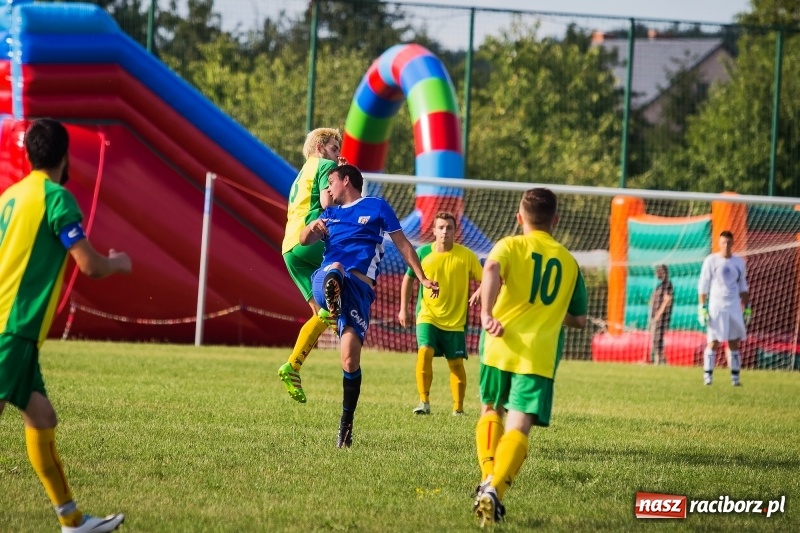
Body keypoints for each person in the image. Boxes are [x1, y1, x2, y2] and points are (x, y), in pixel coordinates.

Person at [0, 119, 132, 533]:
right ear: (65, 156)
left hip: (17, 332)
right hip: (11, 328)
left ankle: (72, 521)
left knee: (42, 417)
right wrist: (118, 262)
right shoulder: (56, 198)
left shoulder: (10, 196)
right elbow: (89, 265)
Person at [299, 164, 439, 448]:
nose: (328, 189)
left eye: (331, 182)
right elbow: (303, 240)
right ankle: (333, 296)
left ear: (346, 181)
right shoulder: (330, 214)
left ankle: (346, 425)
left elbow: (403, 245)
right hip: (326, 277)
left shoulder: (377, 207)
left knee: (349, 361)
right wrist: (311, 227)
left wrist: (422, 277)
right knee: (336, 268)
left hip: (359, 291)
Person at [473, 188, 587, 527]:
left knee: (491, 410)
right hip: (538, 355)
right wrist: (550, 312)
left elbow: (492, 268)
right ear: (556, 220)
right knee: (519, 425)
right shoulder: (569, 262)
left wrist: (486, 313)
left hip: (499, 344)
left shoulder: (509, 245)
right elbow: (580, 319)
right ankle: (495, 489)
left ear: (519, 217)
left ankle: (487, 476)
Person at [278, 128, 346, 404]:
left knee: (322, 313)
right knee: (349, 270)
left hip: (290, 249)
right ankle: (350, 333)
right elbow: (327, 202)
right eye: (333, 148)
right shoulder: (325, 166)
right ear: (319, 146)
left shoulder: (302, 172)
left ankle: (292, 367)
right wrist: (341, 181)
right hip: (311, 239)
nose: (337, 155)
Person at [397, 211, 482, 416]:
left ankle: (458, 409)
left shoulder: (467, 256)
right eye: (441, 227)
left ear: (455, 231)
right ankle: (424, 402)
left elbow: (486, 279)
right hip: (427, 316)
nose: (445, 231)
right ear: (434, 231)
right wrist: (403, 309)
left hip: (455, 321)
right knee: (424, 351)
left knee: (456, 364)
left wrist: (479, 291)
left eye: (449, 227)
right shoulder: (422, 253)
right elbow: (409, 278)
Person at [697, 230, 750, 386]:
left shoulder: (739, 262)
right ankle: (708, 377)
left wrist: (747, 307)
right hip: (716, 307)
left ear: (732, 243)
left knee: (733, 342)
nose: (725, 246)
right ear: (719, 244)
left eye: (728, 243)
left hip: (733, 307)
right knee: (713, 341)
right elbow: (703, 284)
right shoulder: (711, 261)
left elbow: (743, 286)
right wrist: (702, 307)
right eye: (722, 243)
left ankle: (735, 379)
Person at [649, 264, 674, 365]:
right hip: (655, 315)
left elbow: (667, 300)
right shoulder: (659, 285)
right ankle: (660, 360)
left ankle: (659, 360)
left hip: (661, 317)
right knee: (655, 337)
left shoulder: (667, 284)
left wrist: (659, 313)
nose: (655, 274)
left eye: (657, 272)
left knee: (658, 337)